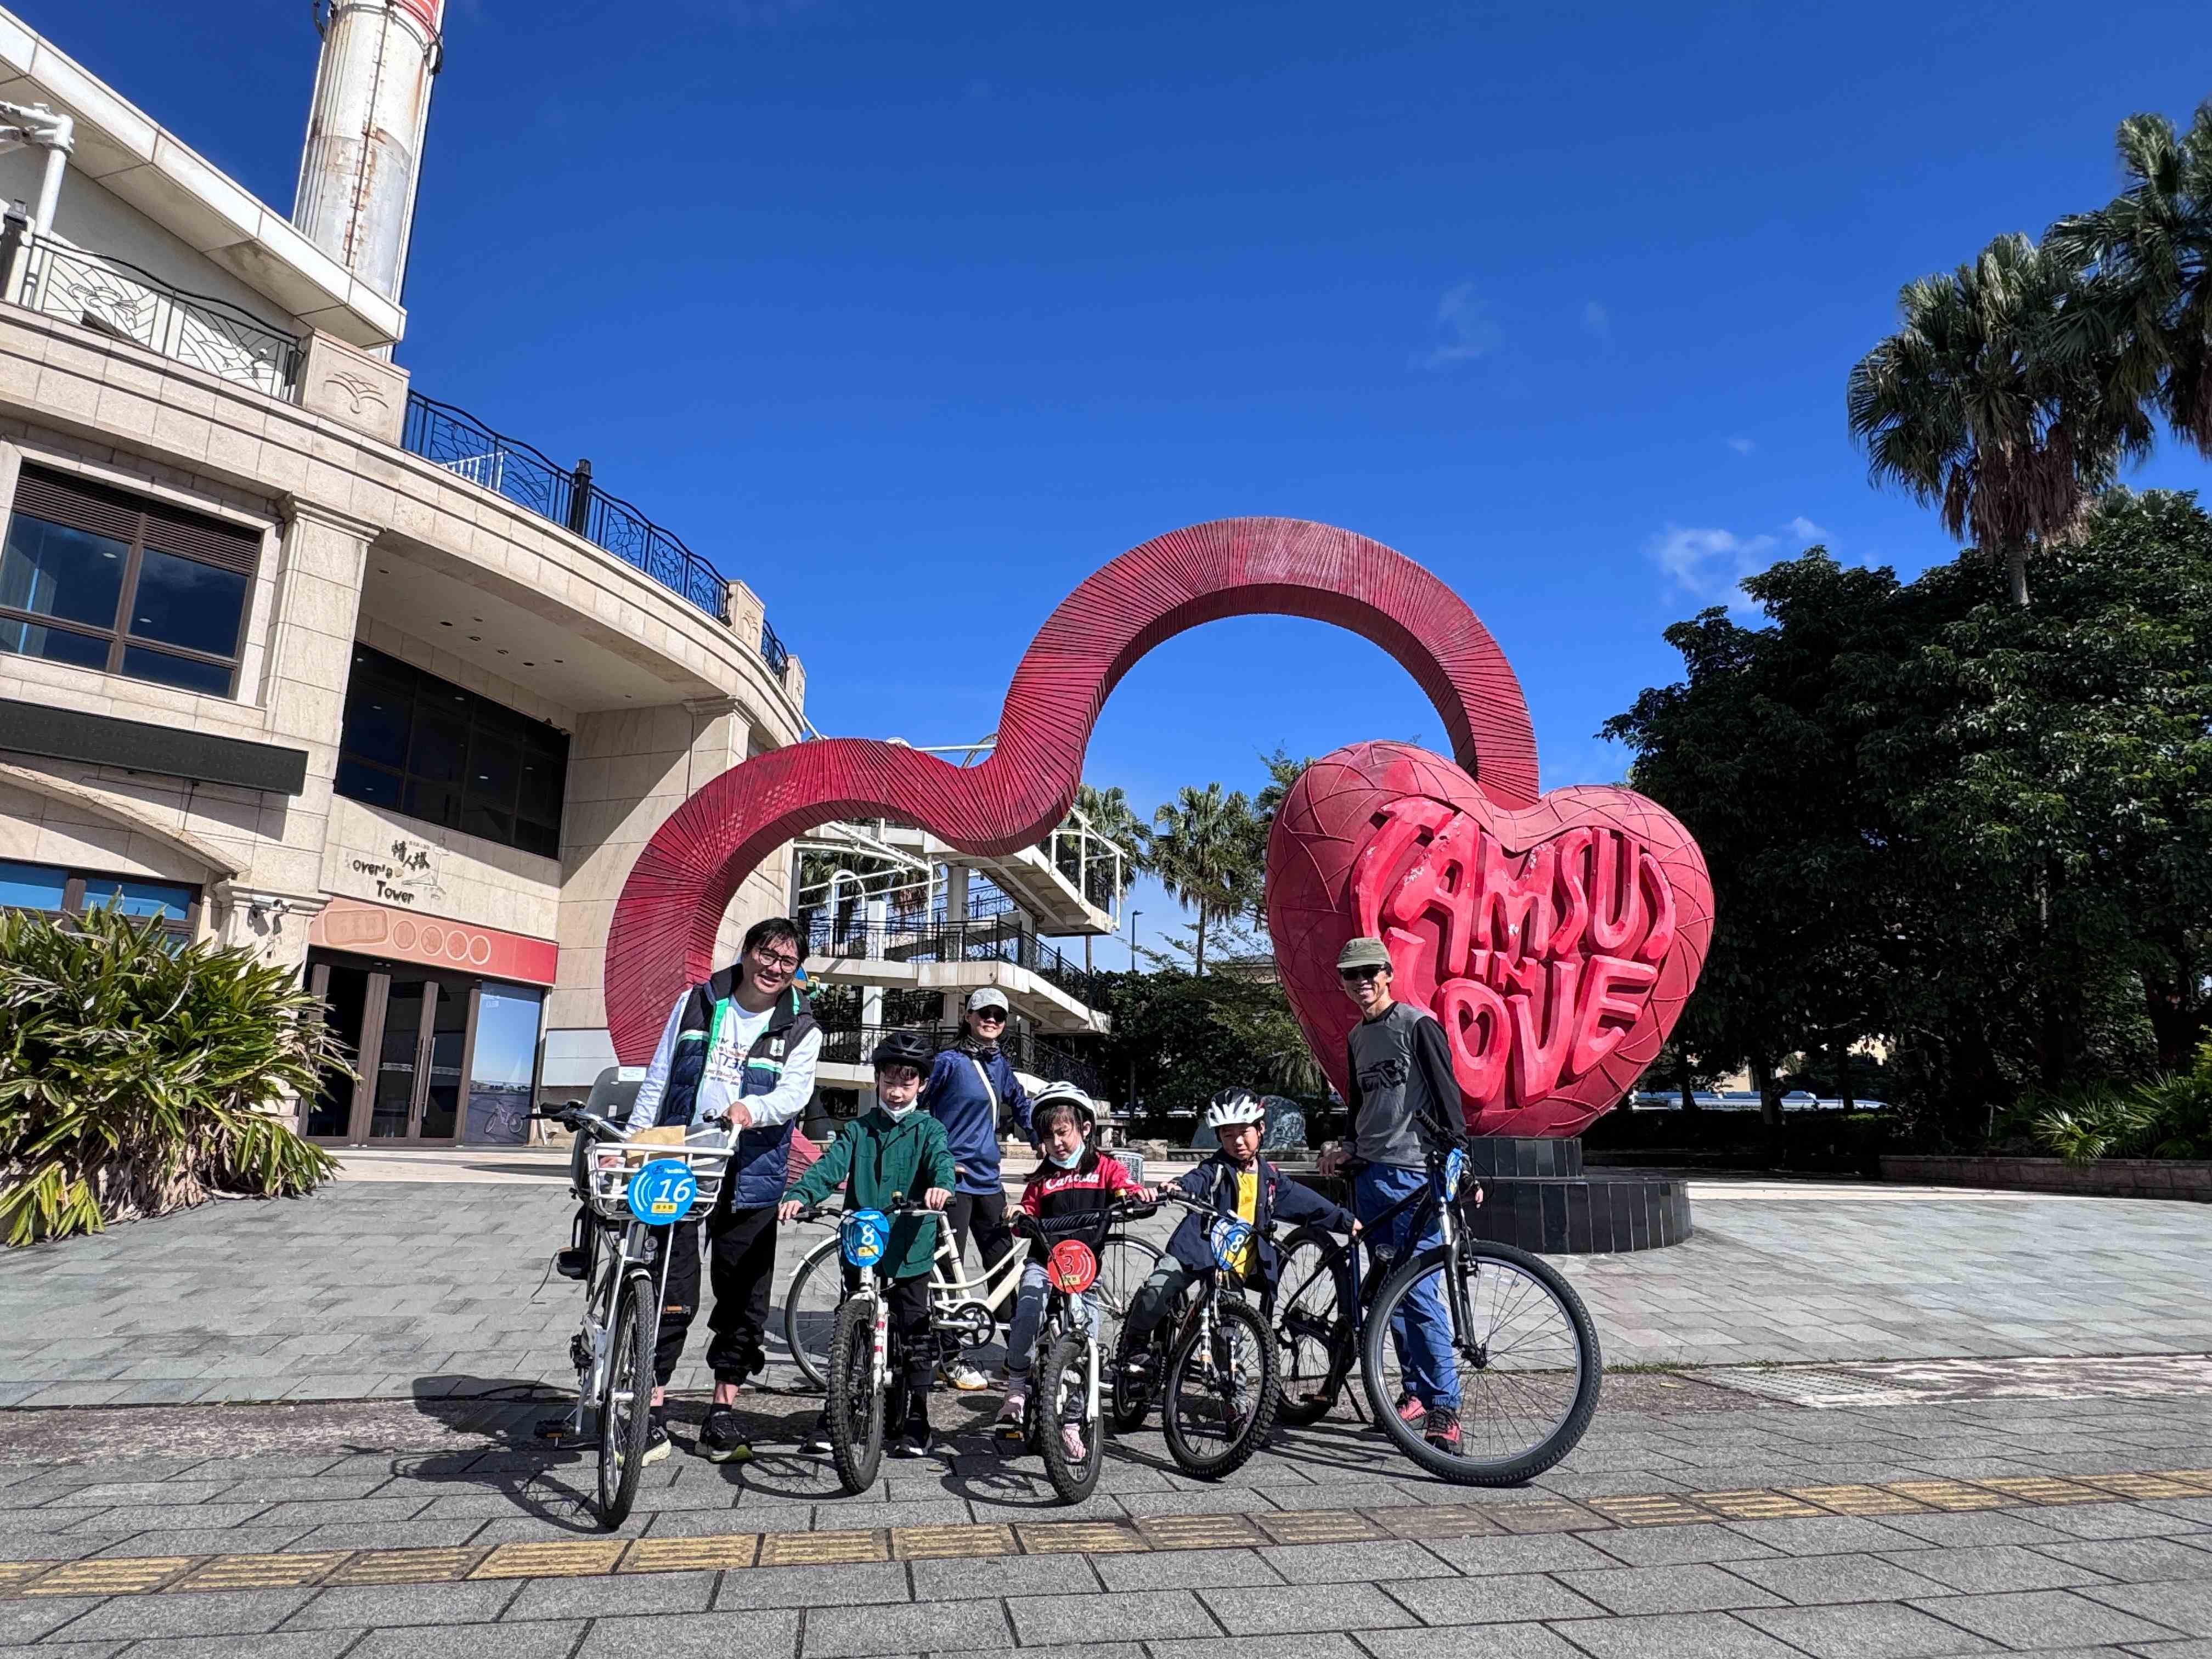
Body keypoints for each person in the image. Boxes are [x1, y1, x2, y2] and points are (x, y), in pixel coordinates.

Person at [627, 916, 821, 1465]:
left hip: (752, 1172)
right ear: (748, 952)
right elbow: (661, 1073)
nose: (775, 968)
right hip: (682, 1160)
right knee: (670, 1287)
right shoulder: (699, 1001)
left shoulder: (802, 1026)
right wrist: (641, 1142)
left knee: (743, 1298)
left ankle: (721, 1409)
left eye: (788, 962)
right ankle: (652, 1407)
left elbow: (793, 1095)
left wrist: (751, 1109)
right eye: (767, 954)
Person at [1316, 935, 1469, 1452]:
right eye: (1350, 975)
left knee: (1421, 1292)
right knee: (1386, 1293)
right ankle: (1414, 1393)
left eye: (1369, 972)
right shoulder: (1358, 1038)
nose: (1361, 983)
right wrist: (1349, 1147)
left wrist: (1461, 1159)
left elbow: (1449, 1098)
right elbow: (1359, 1103)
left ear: (1388, 973)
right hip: (1370, 1177)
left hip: (1413, 1173)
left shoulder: (1417, 1026)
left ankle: (1445, 1405)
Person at [778, 1029, 956, 1459]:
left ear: (922, 1085)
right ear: (876, 1080)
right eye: (889, 1081)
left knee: (914, 1332)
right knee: (852, 1331)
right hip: (862, 1247)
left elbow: (942, 1161)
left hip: (910, 1248)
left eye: (907, 1082)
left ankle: (917, 1417)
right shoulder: (859, 1129)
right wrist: (802, 1194)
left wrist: (940, 1187)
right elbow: (830, 1167)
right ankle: (837, 1410)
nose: (897, 1091)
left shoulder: (928, 1128)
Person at [1123, 1087, 1358, 1368]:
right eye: (1227, 1134)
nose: (1237, 1141)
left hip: (1234, 1266)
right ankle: (1134, 1342)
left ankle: (1235, 1396)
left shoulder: (1270, 1179)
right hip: (1195, 1250)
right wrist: (1177, 1187)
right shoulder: (1216, 1169)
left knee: (1229, 1335)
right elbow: (1197, 1178)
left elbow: (1307, 1203)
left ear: (1261, 1129)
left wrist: (1345, 1221)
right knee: (1158, 1287)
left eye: (1244, 1132)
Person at [993, 1082, 1150, 1457]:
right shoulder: (1042, 1179)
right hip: (1044, 1264)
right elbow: (1026, 1211)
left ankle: (1072, 1422)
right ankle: (1016, 1387)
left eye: (1063, 1133)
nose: (1057, 1143)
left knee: (1088, 1346)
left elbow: (1126, 1189)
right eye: (1048, 1137)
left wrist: (1136, 1196)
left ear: (1084, 1128)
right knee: (1027, 1311)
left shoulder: (1105, 1169)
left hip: (1085, 1271)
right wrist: (1017, 1213)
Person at [918, 985, 1034, 1390]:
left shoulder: (999, 1064)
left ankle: (1015, 1356)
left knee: (1003, 1265)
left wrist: (1052, 1138)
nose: (991, 1020)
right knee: (950, 1269)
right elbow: (918, 1107)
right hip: (953, 1180)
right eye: (983, 1012)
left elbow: (1021, 1104)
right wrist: (937, 1159)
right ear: (968, 1015)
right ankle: (951, 1356)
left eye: (998, 1016)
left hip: (989, 1179)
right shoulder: (948, 1062)